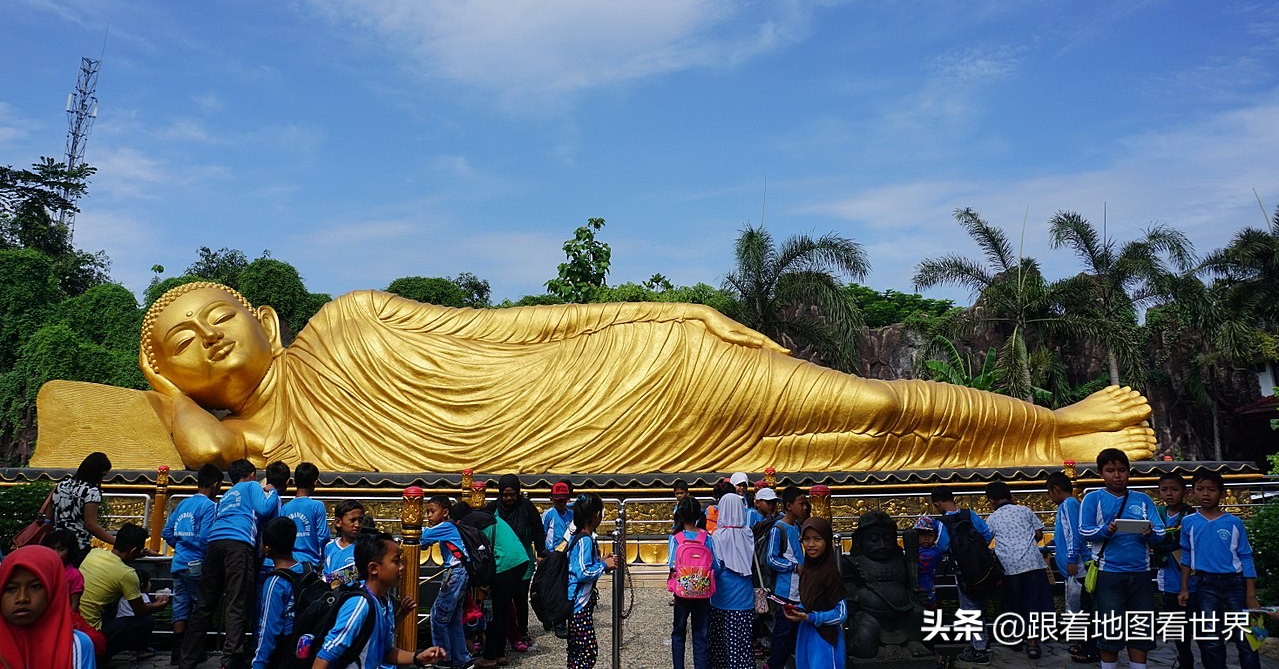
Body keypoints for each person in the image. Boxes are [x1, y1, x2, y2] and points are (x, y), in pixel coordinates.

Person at [38, 283, 1158, 474]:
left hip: (628, 367)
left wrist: (656, 311)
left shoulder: (352, 320)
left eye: (217, 315)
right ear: (161, 369)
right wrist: (162, 395)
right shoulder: (268, 446)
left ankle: (1057, 424)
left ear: (262, 315)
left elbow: (515, 326)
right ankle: (1042, 444)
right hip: (601, 448)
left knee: (868, 402)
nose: (207, 339)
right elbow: (194, 449)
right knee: (834, 448)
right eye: (177, 340)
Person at [179, 459, 286, 669]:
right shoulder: (252, 486)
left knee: (204, 604)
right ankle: (231, 659)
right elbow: (264, 509)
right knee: (236, 601)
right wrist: (272, 489)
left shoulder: (227, 495)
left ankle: (187, 658)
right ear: (252, 474)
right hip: (238, 545)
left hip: (214, 544)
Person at [1079, 448, 1165, 669]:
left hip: (1141, 573)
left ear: (1129, 472)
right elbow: (1085, 530)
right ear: (1101, 473)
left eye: (1121, 470)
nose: (1117, 475)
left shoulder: (1143, 500)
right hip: (1109, 573)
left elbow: (1161, 533)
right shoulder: (1093, 498)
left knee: (1140, 628)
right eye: (1110, 470)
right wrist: (1106, 530)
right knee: (1110, 629)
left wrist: (1150, 533)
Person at [312, 532, 446, 668]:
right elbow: (325, 655)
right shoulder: (359, 605)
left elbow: (384, 652)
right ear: (373, 568)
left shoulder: (382, 601)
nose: (402, 567)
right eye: (396, 561)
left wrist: (417, 657)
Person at [1179, 468, 1259, 669]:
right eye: (1201, 489)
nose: (1206, 494)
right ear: (1192, 492)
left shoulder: (1234, 522)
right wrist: (1184, 587)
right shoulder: (1189, 522)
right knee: (1211, 637)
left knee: (1247, 636)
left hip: (1235, 583)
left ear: (1222, 493)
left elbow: (1246, 556)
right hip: (1205, 584)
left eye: (1212, 490)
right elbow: (1186, 555)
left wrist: (1251, 594)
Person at [454, 501, 531, 669]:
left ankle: (489, 656)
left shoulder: (467, 524)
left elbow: (475, 554)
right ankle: (499, 653)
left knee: (495, 612)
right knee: (502, 609)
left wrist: (481, 580)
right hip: (520, 560)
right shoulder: (487, 517)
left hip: (505, 564)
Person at [79, 523, 170, 660]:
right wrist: (159, 605)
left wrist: (140, 551)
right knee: (146, 621)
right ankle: (102, 656)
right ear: (133, 551)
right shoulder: (127, 574)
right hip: (93, 630)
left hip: (75, 622)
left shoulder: (94, 553)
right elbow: (140, 611)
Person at [983, 481, 1052, 659]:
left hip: (1009, 567)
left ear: (991, 500)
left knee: (1013, 603)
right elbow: (1038, 534)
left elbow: (985, 539)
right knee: (1034, 603)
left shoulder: (992, 518)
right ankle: (1033, 643)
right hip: (1032, 563)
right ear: (1010, 495)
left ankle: (1015, 637)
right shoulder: (1025, 511)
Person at [162, 461, 222, 664]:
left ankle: (177, 651)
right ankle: (194, 650)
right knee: (200, 607)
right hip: (197, 565)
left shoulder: (184, 503)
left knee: (180, 605)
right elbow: (206, 538)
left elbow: (167, 532)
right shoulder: (210, 507)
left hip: (178, 563)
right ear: (215, 484)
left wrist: (180, 545)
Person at [0, 545, 96, 669]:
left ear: (54, 590)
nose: (22, 598)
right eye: (11, 589)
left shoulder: (76, 646)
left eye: (35, 587)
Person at [931, 486, 994, 665]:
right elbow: (987, 534)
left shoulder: (943, 522)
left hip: (963, 571)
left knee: (969, 609)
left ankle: (980, 650)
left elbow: (943, 547)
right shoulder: (970, 514)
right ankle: (982, 643)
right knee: (980, 606)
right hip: (983, 568)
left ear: (937, 504)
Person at [486, 474, 546, 653]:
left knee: (520, 597)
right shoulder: (492, 508)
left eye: (512, 494)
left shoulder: (526, 506)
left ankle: (521, 631)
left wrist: (541, 552)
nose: (509, 498)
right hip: (500, 561)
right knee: (502, 600)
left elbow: (537, 529)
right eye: (505, 495)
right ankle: (502, 634)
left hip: (522, 560)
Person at [781, 517, 847, 669]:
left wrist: (812, 617)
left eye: (817, 539)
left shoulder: (830, 573)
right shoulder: (807, 569)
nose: (811, 545)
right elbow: (810, 601)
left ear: (827, 541)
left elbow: (841, 614)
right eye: (806, 539)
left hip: (825, 638)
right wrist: (797, 609)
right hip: (806, 633)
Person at [1045, 471, 1097, 664]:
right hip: (1071, 566)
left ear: (1056, 490)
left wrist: (1072, 559)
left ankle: (1091, 646)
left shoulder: (1068, 505)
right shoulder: (1067, 506)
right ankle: (1083, 642)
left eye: (1050, 493)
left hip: (1078, 566)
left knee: (1085, 607)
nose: (1050, 498)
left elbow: (1074, 534)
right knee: (1079, 606)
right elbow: (1064, 535)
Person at [567, 493, 616, 669]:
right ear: (596, 515)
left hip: (578, 603)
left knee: (577, 650)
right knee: (587, 651)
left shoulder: (580, 537)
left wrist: (602, 561)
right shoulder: (585, 540)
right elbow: (583, 572)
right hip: (578, 604)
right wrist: (603, 567)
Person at [423, 495, 472, 669]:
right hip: (460, 573)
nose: (428, 515)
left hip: (455, 574)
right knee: (452, 619)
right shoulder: (449, 527)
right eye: (427, 512)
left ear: (444, 512)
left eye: (432, 511)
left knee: (438, 616)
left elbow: (420, 537)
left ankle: (444, 657)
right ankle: (462, 659)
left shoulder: (445, 526)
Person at [252, 516, 305, 669]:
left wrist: (258, 664)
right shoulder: (306, 569)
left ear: (267, 548)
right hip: (304, 647)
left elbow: (269, 628)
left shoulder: (275, 582)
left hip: (284, 650)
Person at [709, 493, 755, 669]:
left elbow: (717, 566)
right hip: (745, 599)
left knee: (721, 646)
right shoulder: (748, 533)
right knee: (742, 646)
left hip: (722, 598)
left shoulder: (718, 536)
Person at [42, 529, 104, 658]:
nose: (56, 553)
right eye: (52, 548)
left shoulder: (74, 575)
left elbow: (73, 606)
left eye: (61, 549)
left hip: (65, 620)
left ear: (69, 551)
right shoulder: (43, 570)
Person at [1156, 471, 1196, 669]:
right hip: (1168, 576)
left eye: (1174, 489)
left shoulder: (1190, 515)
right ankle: (1183, 657)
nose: (1169, 494)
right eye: (1164, 490)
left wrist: (1157, 537)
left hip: (1191, 578)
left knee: (1191, 620)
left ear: (1185, 492)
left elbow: (1177, 538)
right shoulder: (1158, 513)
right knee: (1175, 621)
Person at [669, 497, 714, 669]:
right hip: (702, 591)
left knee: (679, 632)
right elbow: (714, 563)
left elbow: (671, 564)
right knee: (701, 633)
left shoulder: (676, 538)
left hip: (682, 591)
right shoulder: (706, 537)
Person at [766, 485, 807, 669]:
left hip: (800, 589)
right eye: (801, 503)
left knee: (796, 634)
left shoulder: (797, 527)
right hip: (785, 590)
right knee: (782, 633)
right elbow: (771, 558)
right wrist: (793, 567)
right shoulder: (778, 528)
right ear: (789, 506)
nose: (804, 507)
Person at [50, 452, 115, 553]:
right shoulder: (91, 492)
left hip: (56, 544)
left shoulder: (61, 485)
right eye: (103, 475)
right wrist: (116, 542)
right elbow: (90, 525)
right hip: (78, 545)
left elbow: (49, 517)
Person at [282, 461, 330, 568]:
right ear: (315, 482)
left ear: (294, 481)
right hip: (311, 562)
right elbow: (323, 537)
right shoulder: (317, 506)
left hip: (289, 563)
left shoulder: (285, 508)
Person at [324, 500, 365, 588]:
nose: (357, 525)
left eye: (360, 520)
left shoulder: (365, 547)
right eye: (352, 520)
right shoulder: (329, 547)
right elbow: (327, 575)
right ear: (338, 522)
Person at [912, 517, 941, 609]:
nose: (927, 538)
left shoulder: (933, 553)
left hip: (927, 592)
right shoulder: (916, 550)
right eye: (923, 535)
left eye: (930, 535)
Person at [543, 481, 575, 552]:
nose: (561, 503)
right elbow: (543, 534)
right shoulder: (548, 514)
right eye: (558, 501)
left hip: (568, 551)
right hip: (552, 552)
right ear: (551, 499)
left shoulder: (572, 514)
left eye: (563, 500)